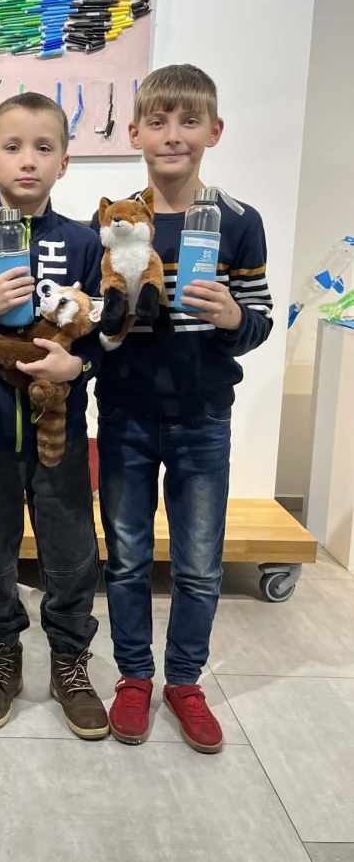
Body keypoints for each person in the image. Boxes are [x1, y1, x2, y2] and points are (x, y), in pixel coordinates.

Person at [91, 64, 273, 753]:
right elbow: (97, 319)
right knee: (126, 559)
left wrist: (233, 317)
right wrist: (107, 325)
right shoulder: (116, 220)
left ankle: (186, 682)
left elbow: (258, 318)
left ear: (214, 131)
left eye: (189, 121)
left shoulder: (239, 222)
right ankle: (134, 677)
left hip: (203, 419)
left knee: (198, 564)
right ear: (134, 133)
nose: (173, 135)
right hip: (126, 416)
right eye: (158, 121)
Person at [0, 92, 108, 737]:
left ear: (64, 162)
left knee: (71, 553)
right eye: (12, 147)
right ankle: (2, 654)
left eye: (44, 148)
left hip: (59, 437)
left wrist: (79, 368)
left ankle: (70, 660)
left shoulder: (84, 242)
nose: (28, 160)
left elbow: (106, 334)